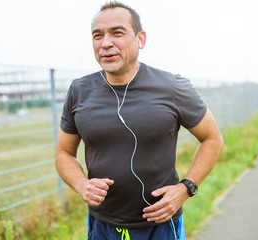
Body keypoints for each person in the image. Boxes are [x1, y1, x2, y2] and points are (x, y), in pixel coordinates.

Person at [55, 1, 224, 239]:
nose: (106, 43)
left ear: (140, 39)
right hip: (102, 225)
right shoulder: (79, 91)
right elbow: (63, 153)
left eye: (117, 33)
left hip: (160, 226)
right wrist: (82, 184)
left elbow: (213, 139)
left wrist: (186, 188)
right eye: (97, 35)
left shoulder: (172, 87)